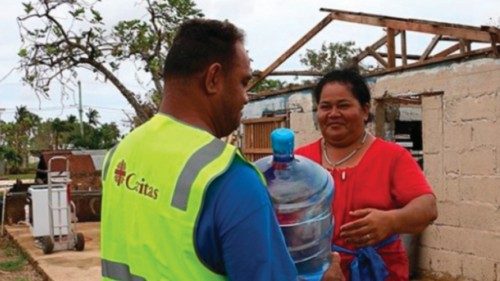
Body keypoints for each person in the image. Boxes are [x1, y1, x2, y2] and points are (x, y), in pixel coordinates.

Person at [100, 18, 344, 281]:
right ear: (213, 79)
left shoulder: (120, 153)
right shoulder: (229, 177)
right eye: (242, 82)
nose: (245, 97)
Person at [295, 69, 438, 281]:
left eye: (343, 105)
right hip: (316, 273)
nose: (333, 113)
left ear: (365, 110)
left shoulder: (392, 156)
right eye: (325, 106)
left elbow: (428, 207)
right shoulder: (300, 161)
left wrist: (391, 220)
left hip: (378, 271)